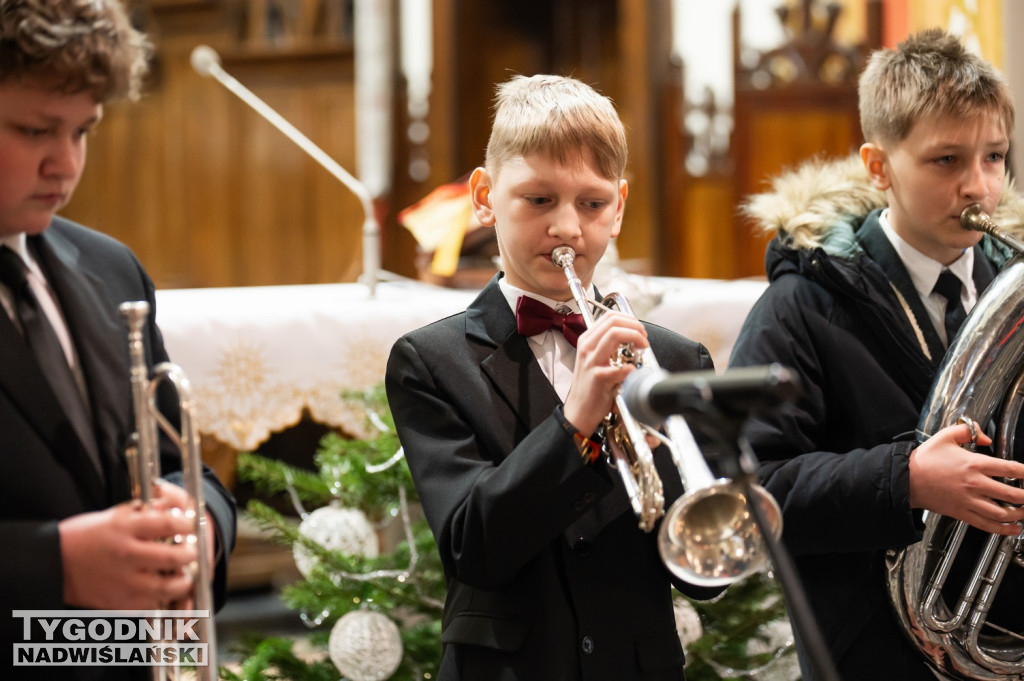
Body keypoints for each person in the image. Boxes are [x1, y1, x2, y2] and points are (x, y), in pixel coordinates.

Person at [385, 73, 722, 681]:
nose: (567, 227)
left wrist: (662, 456)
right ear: (485, 197)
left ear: (618, 207)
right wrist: (576, 423)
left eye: (591, 203)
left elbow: (700, 577)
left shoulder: (674, 358)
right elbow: (473, 549)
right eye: (539, 199)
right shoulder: (431, 361)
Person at [728, 29, 1024, 681]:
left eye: (995, 157)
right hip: (872, 656)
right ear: (878, 166)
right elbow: (751, 488)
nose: (980, 187)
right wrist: (906, 479)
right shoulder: (801, 304)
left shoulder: (1018, 293)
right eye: (946, 161)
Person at [0, 0, 237, 677]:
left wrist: (202, 523)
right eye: (35, 129)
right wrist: (55, 563)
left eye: (83, 131)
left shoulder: (109, 269)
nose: (65, 165)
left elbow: (174, 462)